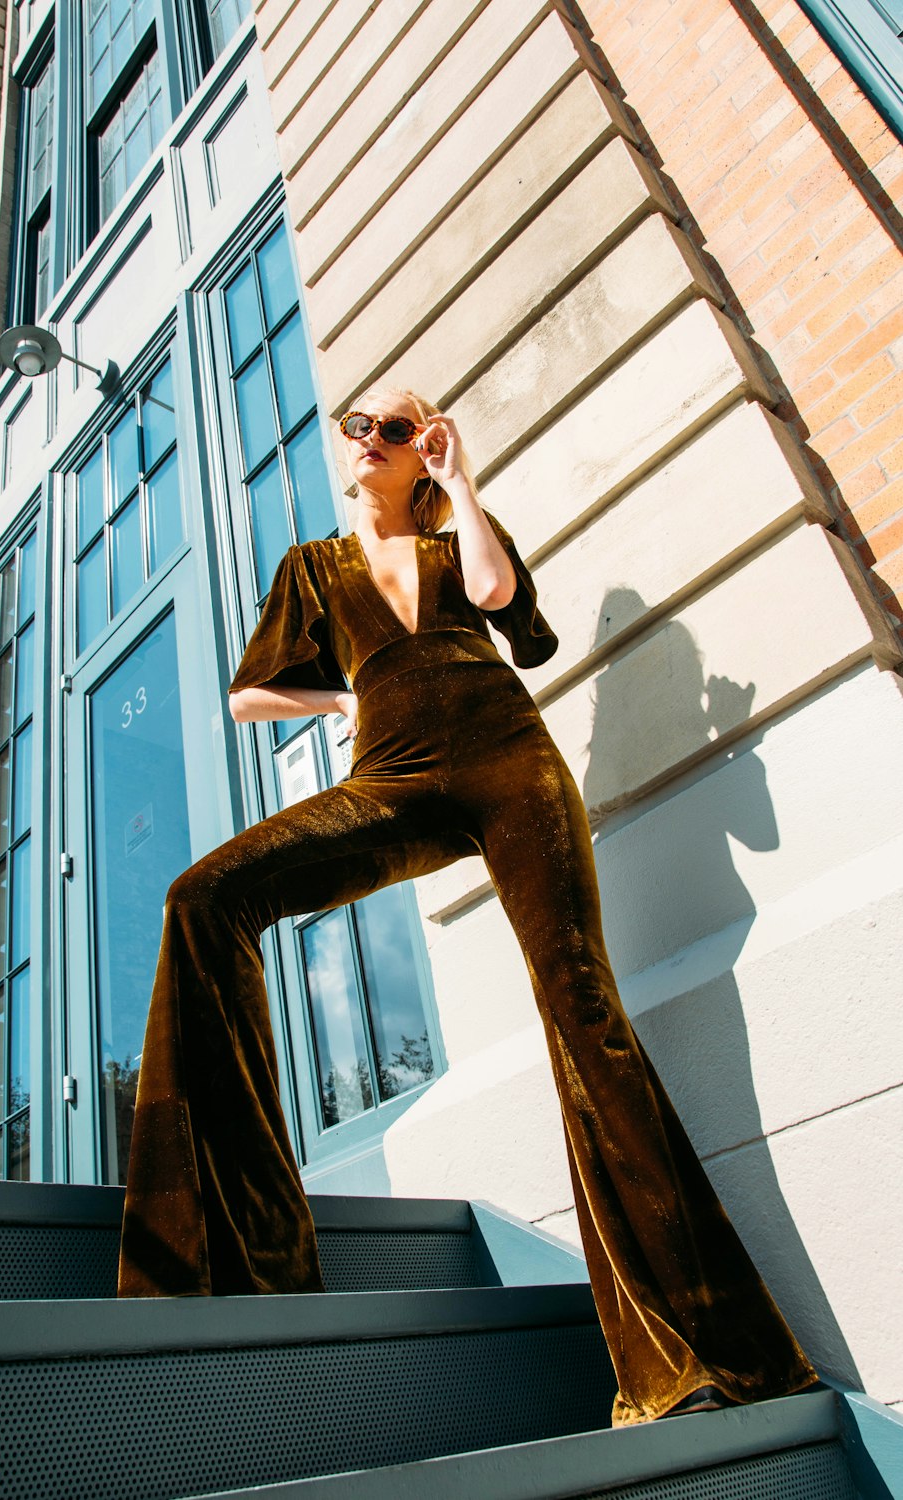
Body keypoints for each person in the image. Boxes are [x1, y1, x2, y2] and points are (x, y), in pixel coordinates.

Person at [117, 384, 819, 1427]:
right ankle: (222, 1257)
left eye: (393, 430)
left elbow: (502, 606)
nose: (368, 441)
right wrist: (354, 689)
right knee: (204, 896)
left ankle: (699, 1352)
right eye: (358, 426)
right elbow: (248, 694)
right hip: (390, 772)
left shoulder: (453, 544)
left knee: (584, 1012)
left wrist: (463, 481)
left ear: (419, 450)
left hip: (510, 763)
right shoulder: (312, 568)